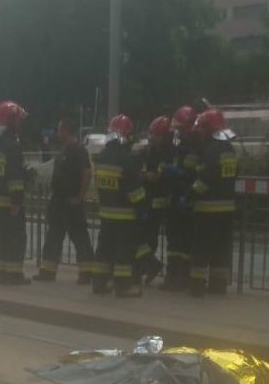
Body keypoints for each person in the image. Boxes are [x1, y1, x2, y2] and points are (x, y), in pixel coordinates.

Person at [33, 118, 94, 284]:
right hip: (59, 201)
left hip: (70, 201)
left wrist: (79, 197)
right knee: (54, 236)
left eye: (59, 130)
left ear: (66, 130)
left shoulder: (77, 149)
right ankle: (47, 271)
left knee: (79, 237)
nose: (57, 133)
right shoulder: (65, 149)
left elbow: (86, 173)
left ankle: (87, 273)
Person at [92, 114, 146, 298]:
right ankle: (123, 287)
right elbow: (134, 189)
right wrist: (143, 206)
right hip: (125, 215)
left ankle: (98, 283)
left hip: (106, 213)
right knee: (124, 252)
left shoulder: (102, 157)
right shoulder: (127, 158)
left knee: (104, 250)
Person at [188, 108, 238, 297]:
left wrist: (189, 196)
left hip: (206, 209)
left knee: (201, 248)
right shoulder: (229, 149)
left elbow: (204, 179)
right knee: (221, 249)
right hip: (227, 209)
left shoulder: (210, 150)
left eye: (201, 129)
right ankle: (218, 286)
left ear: (207, 128)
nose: (198, 132)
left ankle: (197, 285)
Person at [0, 100, 30, 285]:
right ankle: (15, 274)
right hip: (9, 202)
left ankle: (1, 273)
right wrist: (17, 201)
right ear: (12, 121)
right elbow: (15, 177)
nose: (20, 123)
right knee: (16, 238)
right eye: (18, 120)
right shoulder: (12, 145)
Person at [161, 105, 200, 291]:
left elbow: (196, 175)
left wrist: (180, 174)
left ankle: (183, 278)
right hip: (176, 200)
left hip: (187, 200)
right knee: (174, 243)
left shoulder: (196, 146)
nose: (177, 132)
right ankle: (172, 278)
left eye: (179, 129)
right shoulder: (178, 145)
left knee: (185, 244)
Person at [135, 115, 172, 286]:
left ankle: (149, 266)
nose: (151, 138)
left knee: (147, 239)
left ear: (164, 137)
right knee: (140, 239)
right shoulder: (146, 152)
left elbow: (156, 177)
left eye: (156, 135)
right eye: (151, 134)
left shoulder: (165, 155)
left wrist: (143, 175)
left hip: (154, 205)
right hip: (145, 202)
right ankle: (147, 266)